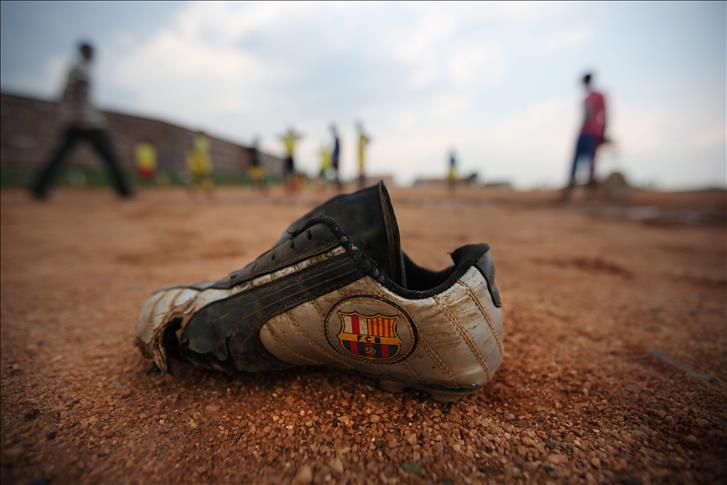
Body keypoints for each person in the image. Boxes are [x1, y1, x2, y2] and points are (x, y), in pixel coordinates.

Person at [30, 41, 132, 199]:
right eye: (90, 52)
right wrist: (77, 117)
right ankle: (124, 190)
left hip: (77, 120)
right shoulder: (80, 70)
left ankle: (39, 187)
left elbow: (66, 94)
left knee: (60, 154)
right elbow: (77, 95)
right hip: (86, 122)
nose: (92, 56)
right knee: (108, 155)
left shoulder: (79, 69)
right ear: (85, 53)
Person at [562, 72, 608, 200]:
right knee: (578, 160)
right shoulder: (587, 97)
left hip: (592, 132)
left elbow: (604, 114)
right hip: (583, 131)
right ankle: (571, 189)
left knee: (590, 161)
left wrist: (603, 131)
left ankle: (590, 192)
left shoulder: (598, 96)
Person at [280, 127, 302, 193]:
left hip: (290, 157)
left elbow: (298, 137)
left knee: (291, 172)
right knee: (288, 172)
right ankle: (289, 186)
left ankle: (293, 186)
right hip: (288, 156)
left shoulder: (291, 139)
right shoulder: (289, 139)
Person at [356, 121, 370, 189]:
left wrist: (364, 144)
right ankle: (361, 184)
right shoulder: (360, 136)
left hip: (362, 156)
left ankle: (363, 184)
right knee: (360, 171)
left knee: (362, 171)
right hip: (359, 156)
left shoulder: (362, 135)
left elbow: (368, 140)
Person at [330, 124, 342, 191]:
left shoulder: (337, 140)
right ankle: (337, 186)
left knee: (336, 173)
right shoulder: (335, 140)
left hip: (335, 158)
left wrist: (336, 158)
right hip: (334, 158)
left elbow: (337, 150)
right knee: (335, 173)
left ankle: (338, 186)